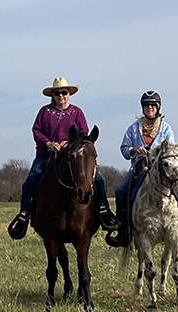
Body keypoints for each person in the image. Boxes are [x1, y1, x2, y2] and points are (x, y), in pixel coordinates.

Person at [8, 77, 119, 240]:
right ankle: (24, 215)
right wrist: (48, 143)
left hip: (71, 156)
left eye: (64, 93)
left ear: (69, 94)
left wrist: (70, 143)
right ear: (52, 95)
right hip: (47, 155)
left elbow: (84, 134)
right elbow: (36, 130)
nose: (61, 96)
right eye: (57, 93)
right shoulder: (44, 112)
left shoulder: (77, 112)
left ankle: (104, 211)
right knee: (31, 181)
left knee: (98, 180)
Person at [105, 90, 178, 247]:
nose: (149, 108)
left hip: (163, 167)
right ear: (142, 108)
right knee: (121, 190)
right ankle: (123, 230)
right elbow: (124, 149)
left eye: (152, 105)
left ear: (157, 108)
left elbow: (171, 148)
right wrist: (134, 150)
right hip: (140, 166)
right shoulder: (134, 128)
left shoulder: (166, 128)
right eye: (146, 105)